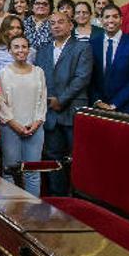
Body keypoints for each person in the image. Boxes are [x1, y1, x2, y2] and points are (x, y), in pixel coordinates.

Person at [34, 13, 93, 196]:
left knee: (79, 158)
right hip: (51, 111)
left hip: (72, 109)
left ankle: (80, 197)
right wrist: (49, 101)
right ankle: (58, 198)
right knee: (53, 156)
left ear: (70, 26)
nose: (56, 26)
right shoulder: (43, 50)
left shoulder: (82, 48)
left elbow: (82, 78)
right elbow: (39, 79)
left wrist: (62, 99)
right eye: (52, 23)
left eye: (61, 22)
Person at [0, 35, 47, 196]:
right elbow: (1, 102)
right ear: (10, 51)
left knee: (32, 171)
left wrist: (37, 122)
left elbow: (42, 100)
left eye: (24, 46)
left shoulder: (38, 72)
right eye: (16, 47)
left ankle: (32, 214)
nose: (20, 50)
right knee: (10, 171)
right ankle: (12, 213)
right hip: (10, 128)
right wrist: (14, 124)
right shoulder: (3, 73)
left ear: (29, 49)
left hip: (35, 128)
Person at [90, 4, 129, 115]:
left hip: (128, 108)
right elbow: (89, 77)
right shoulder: (92, 44)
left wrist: (114, 104)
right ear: (101, 20)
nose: (111, 20)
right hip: (99, 108)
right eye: (107, 17)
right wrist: (98, 101)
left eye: (115, 16)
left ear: (121, 20)